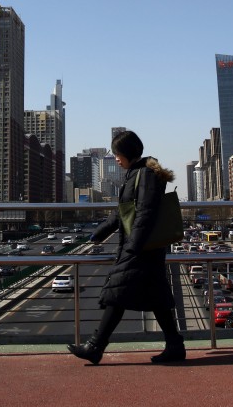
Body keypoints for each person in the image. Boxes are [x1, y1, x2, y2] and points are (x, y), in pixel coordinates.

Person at [67, 130, 185, 365]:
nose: (116, 158)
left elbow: (145, 213)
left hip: (141, 248)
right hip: (144, 247)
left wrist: (133, 247)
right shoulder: (136, 173)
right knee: (157, 298)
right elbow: (123, 212)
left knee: (117, 292)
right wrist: (99, 233)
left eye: (118, 153)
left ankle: (95, 346)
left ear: (127, 153)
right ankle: (175, 345)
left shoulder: (146, 175)